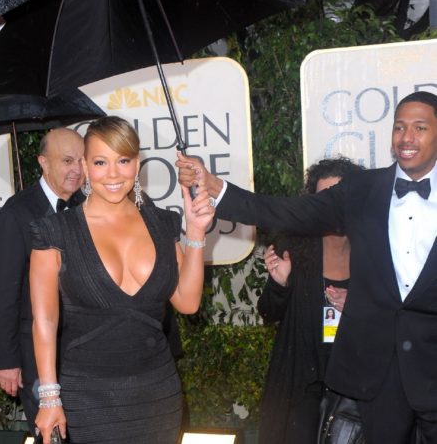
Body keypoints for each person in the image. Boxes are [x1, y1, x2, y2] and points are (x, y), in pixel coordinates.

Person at [176, 91, 437, 443]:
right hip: (378, 379)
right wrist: (216, 187)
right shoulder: (362, 189)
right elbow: (288, 211)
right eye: (399, 127)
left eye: (420, 127)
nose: (406, 138)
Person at [29, 116, 214, 444]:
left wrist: (196, 233)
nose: (113, 174)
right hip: (89, 395)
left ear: (137, 164)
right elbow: (44, 320)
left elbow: (187, 302)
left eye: (123, 161)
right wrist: (49, 397)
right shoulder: (56, 231)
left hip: (157, 394)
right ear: (85, 166)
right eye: (101, 162)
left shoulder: (162, 223)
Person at [257, 157, 362, 444]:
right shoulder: (293, 246)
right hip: (301, 379)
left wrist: (359, 305)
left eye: (339, 196)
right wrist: (280, 283)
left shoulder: (373, 247)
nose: (332, 207)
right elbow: (268, 311)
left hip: (354, 381)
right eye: (323, 199)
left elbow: (390, 315)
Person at [0, 127, 85, 434]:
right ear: (43, 162)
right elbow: (4, 292)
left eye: (82, 161)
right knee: (51, 434)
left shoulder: (90, 206)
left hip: (86, 349)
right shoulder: (16, 213)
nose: (77, 170)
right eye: (68, 161)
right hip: (35, 354)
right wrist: (7, 361)